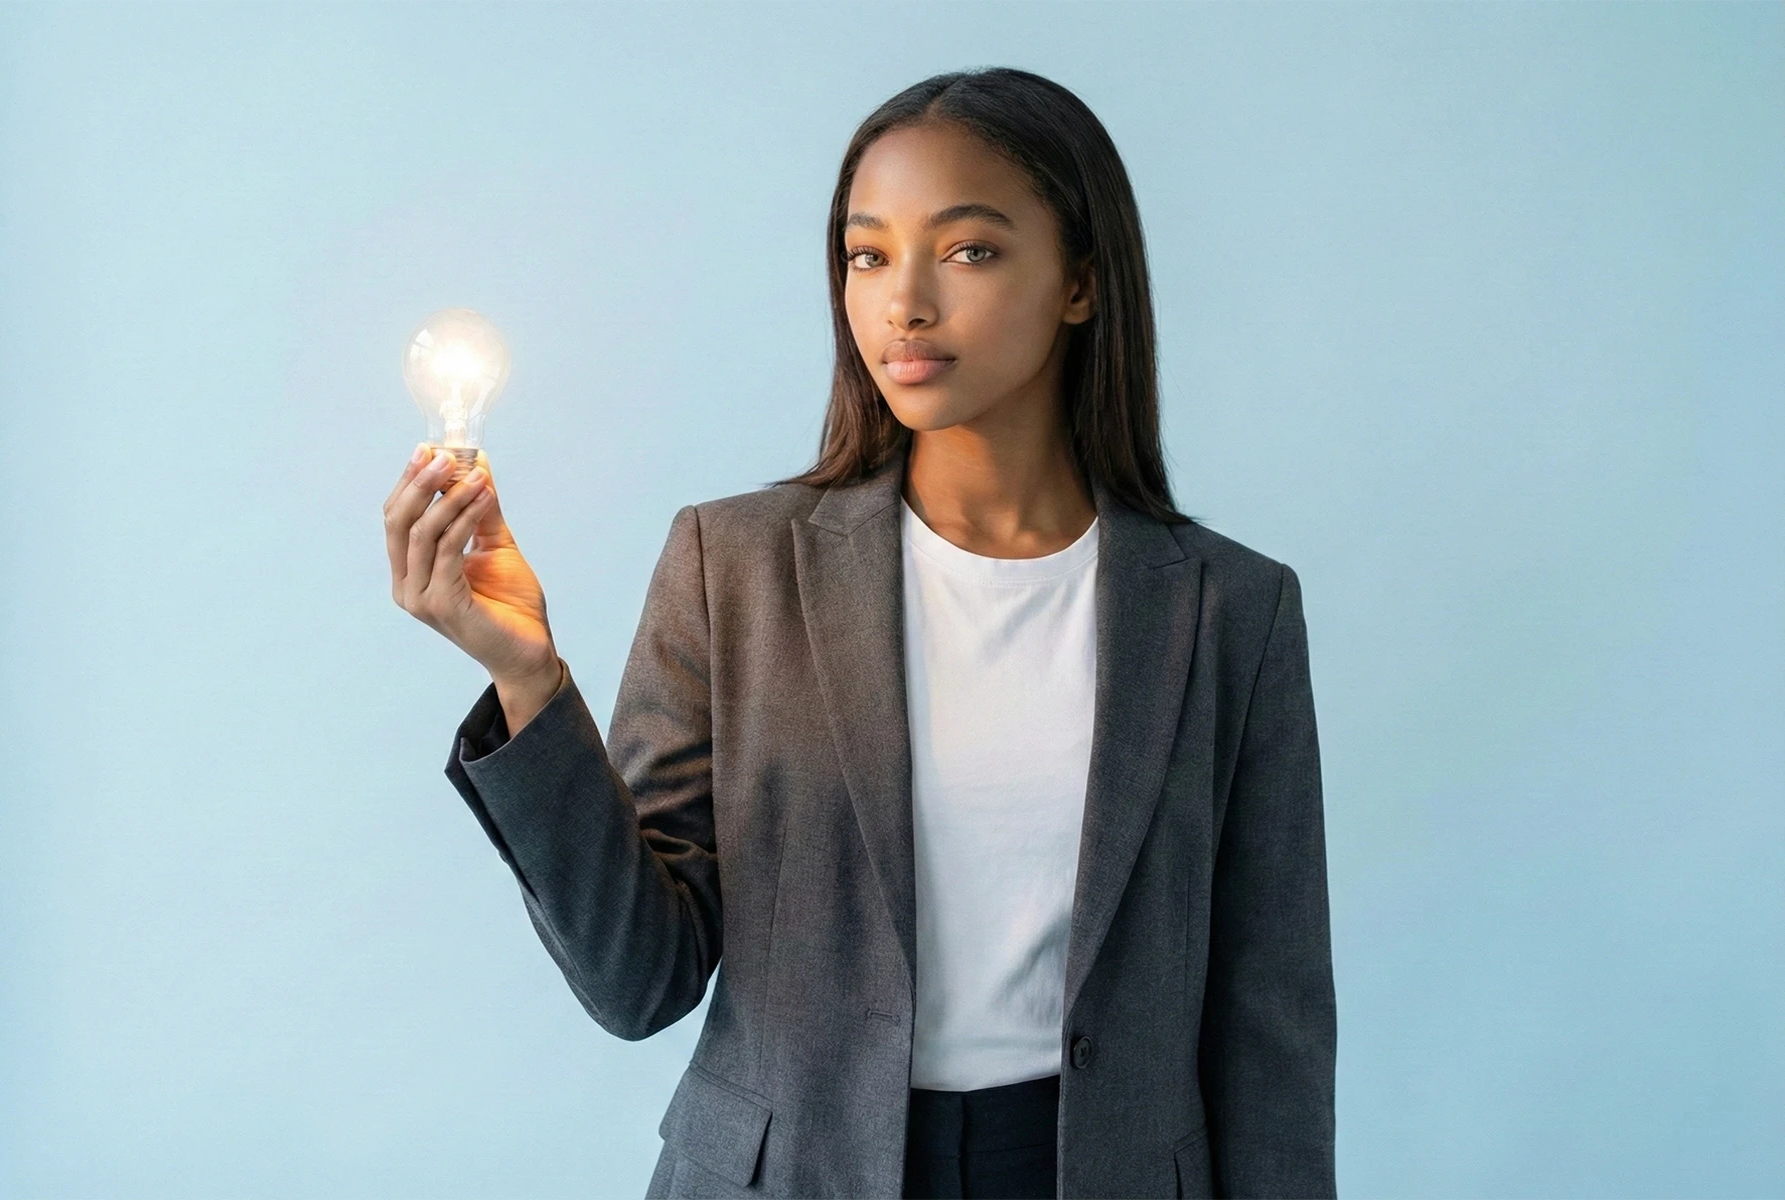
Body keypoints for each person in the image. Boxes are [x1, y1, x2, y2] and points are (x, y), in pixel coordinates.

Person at [383, 67, 1335, 1200]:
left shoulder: (1230, 609)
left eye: (969, 250)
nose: (904, 303)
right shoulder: (732, 565)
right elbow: (638, 982)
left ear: (1081, 281)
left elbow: (1270, 1022)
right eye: (868, 253)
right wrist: (527, 677)